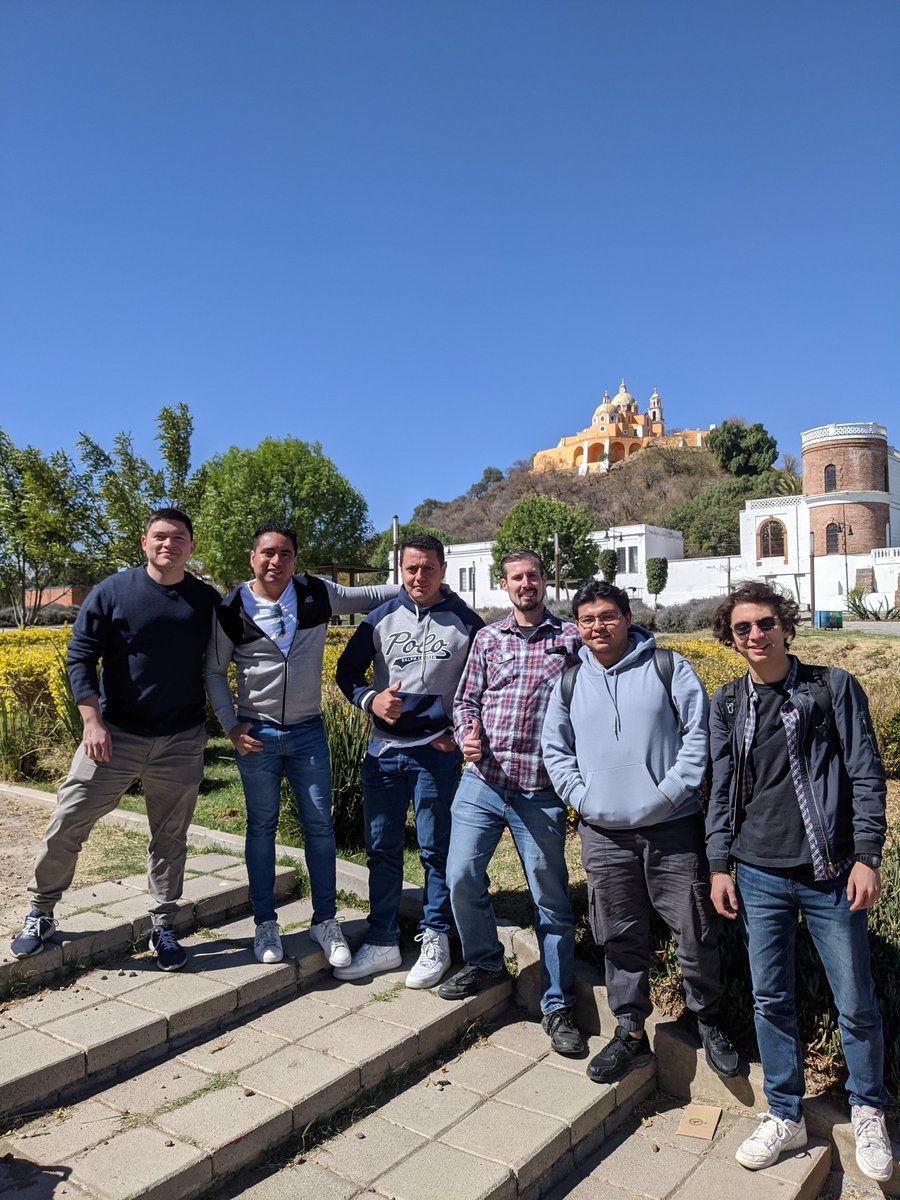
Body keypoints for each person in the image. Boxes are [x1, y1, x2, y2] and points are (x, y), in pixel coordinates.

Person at [706, 581, 892, 1181]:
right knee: (771, 998)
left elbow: (866, 773)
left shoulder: (832, 687)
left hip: (830, 871)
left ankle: (868, 1109)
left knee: (856, 1000)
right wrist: (718, 865)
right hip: (758, 872)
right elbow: (719, 792)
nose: (755, 635)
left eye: (764, 623)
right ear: (730, 639)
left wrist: (868, 854)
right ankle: (784, 1114)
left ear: (785, 624)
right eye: (742, 628)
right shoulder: (730, 704)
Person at [542, 579, 737, 1084]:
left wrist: (670, 792)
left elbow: (701, 735)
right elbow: (556, 751)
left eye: (607, 616)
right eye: (586, 619)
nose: (597, 627)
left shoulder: (667, 667)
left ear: (628, 617)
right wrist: (583, 799)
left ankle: (707, 1018)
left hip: (672, 827)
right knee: (619, 933)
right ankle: (629, 1030)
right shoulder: (567, 681)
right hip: (603, 834)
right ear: (577, 626)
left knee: (694, 929)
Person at [10, 508, 221, 971]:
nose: (169, 544)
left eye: (179, 538)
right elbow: (80, 656)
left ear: (192, 545)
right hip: (113, 736)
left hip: (180, 741)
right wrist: (92, 721)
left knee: (170, 838)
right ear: (144, 542)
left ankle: (163, 926)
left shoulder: (206, 600)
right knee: (68, 821)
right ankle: (41, 911)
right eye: (160, 537)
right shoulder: (113, 592)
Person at [205, 523, 399, 966]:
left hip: (308, 732)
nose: (277, 562)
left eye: (286, 554)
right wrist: (231, 727)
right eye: (268, 553)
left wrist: (413, 582)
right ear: (251, 557)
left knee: (320, 827)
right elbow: (215, 672)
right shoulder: (230, 608)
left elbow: (371, 597)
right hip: (256, 734)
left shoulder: (315, 593)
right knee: (261, 828)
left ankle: (325, 920)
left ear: (296, 559)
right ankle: (264, 923)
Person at [438, 550, 585, 1056]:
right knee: (460, 874)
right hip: (484, 781)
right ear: (505, 586)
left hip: (539, 789)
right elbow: (465, 701)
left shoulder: (570, 640)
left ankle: (557, 1003)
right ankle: (484, 959)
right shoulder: (487, 639)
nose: (526, 584)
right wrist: (466, 734)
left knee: (550, 897)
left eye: (533, 576)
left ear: (545, 581)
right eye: (517, 578)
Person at [335, 534, 483, 987]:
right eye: (411, 568)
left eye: (428, 568)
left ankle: (435, 935)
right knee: (382, 848)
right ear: (402, 569)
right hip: (383, 754)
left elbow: (485, 683)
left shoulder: (467, 623)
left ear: (444, 569)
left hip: (436, 756)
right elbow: (346, 672)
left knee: (437, 850)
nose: (419, 577)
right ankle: (381, 940)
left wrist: (456, 732)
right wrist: (370, 701)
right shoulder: (378, 619)